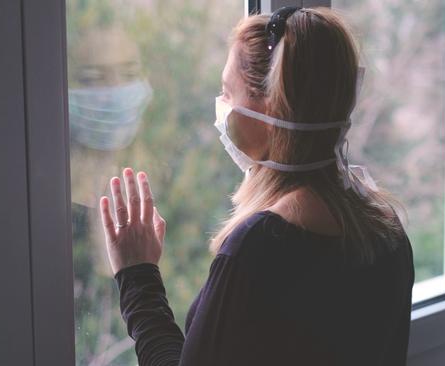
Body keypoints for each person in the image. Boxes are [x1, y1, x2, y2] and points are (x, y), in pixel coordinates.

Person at [98, 6, 415, 365]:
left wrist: (137, 275)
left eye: (227, 92)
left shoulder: (260, 248)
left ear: (271, 111)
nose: (222, 108)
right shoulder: (385, 227)